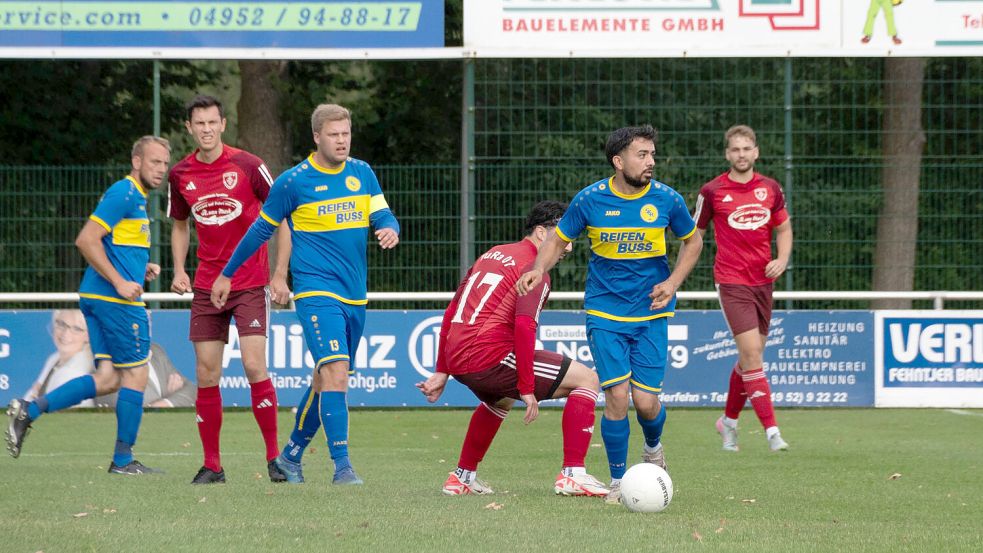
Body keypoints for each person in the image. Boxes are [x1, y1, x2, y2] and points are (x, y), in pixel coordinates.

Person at [212, 103, 400, 486]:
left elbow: (382, 214)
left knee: (324, 379)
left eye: (346, 133)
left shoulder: (362, 173)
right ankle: (342, 466)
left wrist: (389, 229)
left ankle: (290, 457)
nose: (342, 140)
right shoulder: (293, 182)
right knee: (336, 371)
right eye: (334, 134)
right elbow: (260, 232)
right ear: (317, 137)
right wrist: (227, 274)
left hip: (355, 296)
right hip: (315, 291)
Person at [516, 125, 703, 505]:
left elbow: (694, 241)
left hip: (651, 313)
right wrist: (539, 268)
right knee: (617, 396)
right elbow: (558, 239)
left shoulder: (667, 200)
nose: (651, 162)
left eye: (652, 154)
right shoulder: (590, 200)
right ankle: (618, 483)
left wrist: (673, 282)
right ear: (619, 162)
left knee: (647, 403)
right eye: (642, 155)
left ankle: (653, 448)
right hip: (605, 311)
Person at [416, 201, 608, 497]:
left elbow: (452, 309)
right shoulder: (535, 269)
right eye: (564, 237)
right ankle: (573, 473)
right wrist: (527, 386)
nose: (567, 247)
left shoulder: (493, 253)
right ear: (542, 233)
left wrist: (443, 370)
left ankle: (462, 477)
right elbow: (524, 326)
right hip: (487, 355)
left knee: (501, 400)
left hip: (460, 357)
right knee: (587, 380)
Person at [5, 136, 171, 475]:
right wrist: (121, 281)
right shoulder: (124, 193)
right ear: (136, 161)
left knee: (109, 378)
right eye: (155, 162)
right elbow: (86, 239)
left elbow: (113, 245)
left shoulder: (137, 199)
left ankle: (28, 410)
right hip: (114, 301)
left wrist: (140, 270)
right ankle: (123, 461)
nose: (161, 170)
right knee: (137, 374)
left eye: (165, 164)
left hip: (98, 297)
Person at [167, 95, 291, 484]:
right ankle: (212, 465)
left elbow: (281, 219)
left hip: (250, 282)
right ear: (189, 128)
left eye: (211, 122)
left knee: (254, 365)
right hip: (206, 286)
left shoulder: (249, 166)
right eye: (198, 123)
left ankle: (275, 459)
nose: (205, 129)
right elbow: (181, 224)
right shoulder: (180, 174)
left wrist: (280, 274)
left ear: (223, 124)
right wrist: (179, 270)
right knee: (206, 374)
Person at [695, 125, 792, 453]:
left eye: (746, 149)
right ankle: (772, 432)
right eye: (735, 149)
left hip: (763, 282)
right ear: (727, 154)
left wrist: (782, 259)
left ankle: (729, 423)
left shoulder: (771, 188)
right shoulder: (712, 191)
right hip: (732, 281)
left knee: (750, 358)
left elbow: (784, 228)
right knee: (752, 355)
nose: (741, 155)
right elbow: (696, 234)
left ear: (756, 152)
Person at [24, 310, 96, 408]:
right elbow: (30, 397)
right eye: (62, 324)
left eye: (77, 329)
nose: (66, 334)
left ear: (88, 336)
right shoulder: (54, 359)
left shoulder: (73, 374)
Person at [95, 343, 196, 408]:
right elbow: (126, 407)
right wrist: (170, 397)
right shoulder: (108, 360)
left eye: (148, 319)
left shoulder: (156, 350)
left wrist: (167, 402)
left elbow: (191, 389)